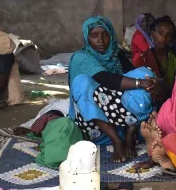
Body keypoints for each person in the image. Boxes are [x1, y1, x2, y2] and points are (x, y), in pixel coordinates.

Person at [68, 16, 164, 163]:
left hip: (122, 120)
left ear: (111, 35)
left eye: (105, 34)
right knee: (82, 82)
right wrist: (141, 83)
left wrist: (154, 82)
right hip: (94, 126)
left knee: (146, 72)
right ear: (87, 38)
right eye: (94, 35)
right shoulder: (81, 58)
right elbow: (107, 79)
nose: (100, 40)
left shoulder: (116, 54)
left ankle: (130, 133)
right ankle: (117, 141)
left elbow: (135, 74)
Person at [135, 17, 176, 88]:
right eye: (160, 33)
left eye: (168, 35)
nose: (164, 38)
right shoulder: (143, 58)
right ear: (152, 33)